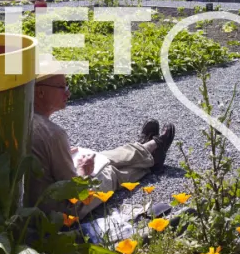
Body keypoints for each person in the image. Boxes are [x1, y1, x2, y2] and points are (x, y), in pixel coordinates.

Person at [27, 73, 176, 218]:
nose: (68, 93)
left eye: (67, 86)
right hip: (65, 210)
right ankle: (152, 155)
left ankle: (144, 148)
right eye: (61, 87)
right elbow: (75, 192)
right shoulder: (53, 134)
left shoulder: (24, 121)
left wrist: (61, 155)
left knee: (100, 158)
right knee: (109, 172)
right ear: (40, 92)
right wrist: (82, 171)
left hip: (41, 200)